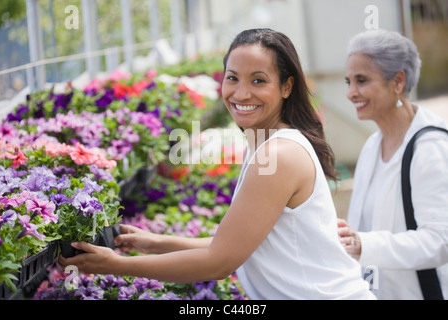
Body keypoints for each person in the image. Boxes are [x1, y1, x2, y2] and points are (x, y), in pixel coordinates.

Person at [60, 28, 375, 300]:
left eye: (258, 80)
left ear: (286, 87)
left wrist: (115, 265)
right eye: (233, 78)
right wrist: (157, 243)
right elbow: (240, 241)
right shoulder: (267, 142)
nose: (241, 92)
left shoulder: (279, 156)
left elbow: (220, 262)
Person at [339, 29, 448, 300]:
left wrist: (363, 243)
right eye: (348, 81)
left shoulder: (430, 146)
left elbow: (440, 241)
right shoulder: (372, 146)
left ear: (398, 81)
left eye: (361, 80)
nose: (351, 93)